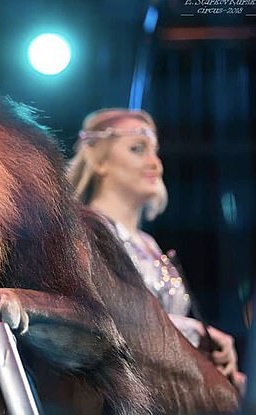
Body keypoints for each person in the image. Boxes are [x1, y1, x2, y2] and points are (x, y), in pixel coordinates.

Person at [67, 107, 246, 394]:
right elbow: (111, 318)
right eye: (138, 149)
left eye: (155, 151)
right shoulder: (87, 232)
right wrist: (196, 333)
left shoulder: (148, 244)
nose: (155, 163)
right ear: (101, 162)